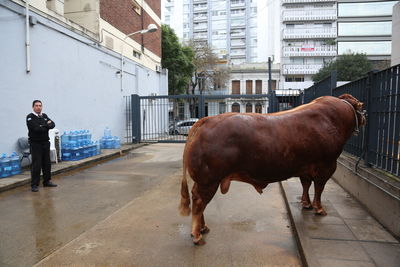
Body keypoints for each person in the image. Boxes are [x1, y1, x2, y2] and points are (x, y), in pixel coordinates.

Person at [26, 100, 58, 192]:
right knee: (37, 164)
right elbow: (36, 129)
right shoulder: (30, 117)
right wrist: (46, 125)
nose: (38, 107)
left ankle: (47, 181)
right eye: (36, 105)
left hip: (45, 143)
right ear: (33, 107)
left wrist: (42, 126)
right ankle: (34, 185)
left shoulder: (44, 116)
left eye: (40, 105)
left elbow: (53, 124)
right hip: (36, 144)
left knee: (47, 163)